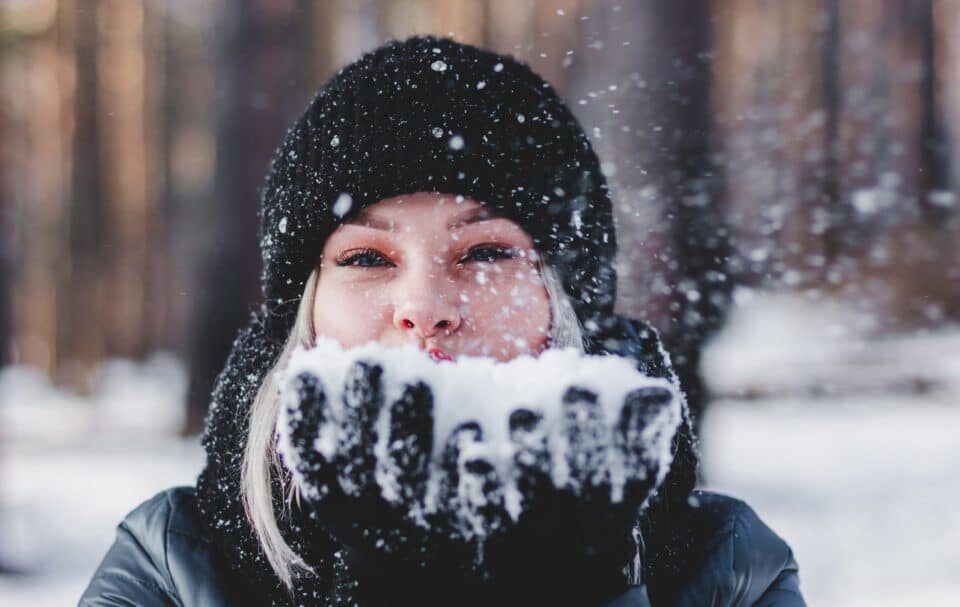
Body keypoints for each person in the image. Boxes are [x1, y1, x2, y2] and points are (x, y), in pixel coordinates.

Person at [80, 36, 805, 606]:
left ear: (564, 299)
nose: (424, 309)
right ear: (306, 311)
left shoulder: (730, 567)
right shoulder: (169, 564)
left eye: (485, 252)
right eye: (366, 257)